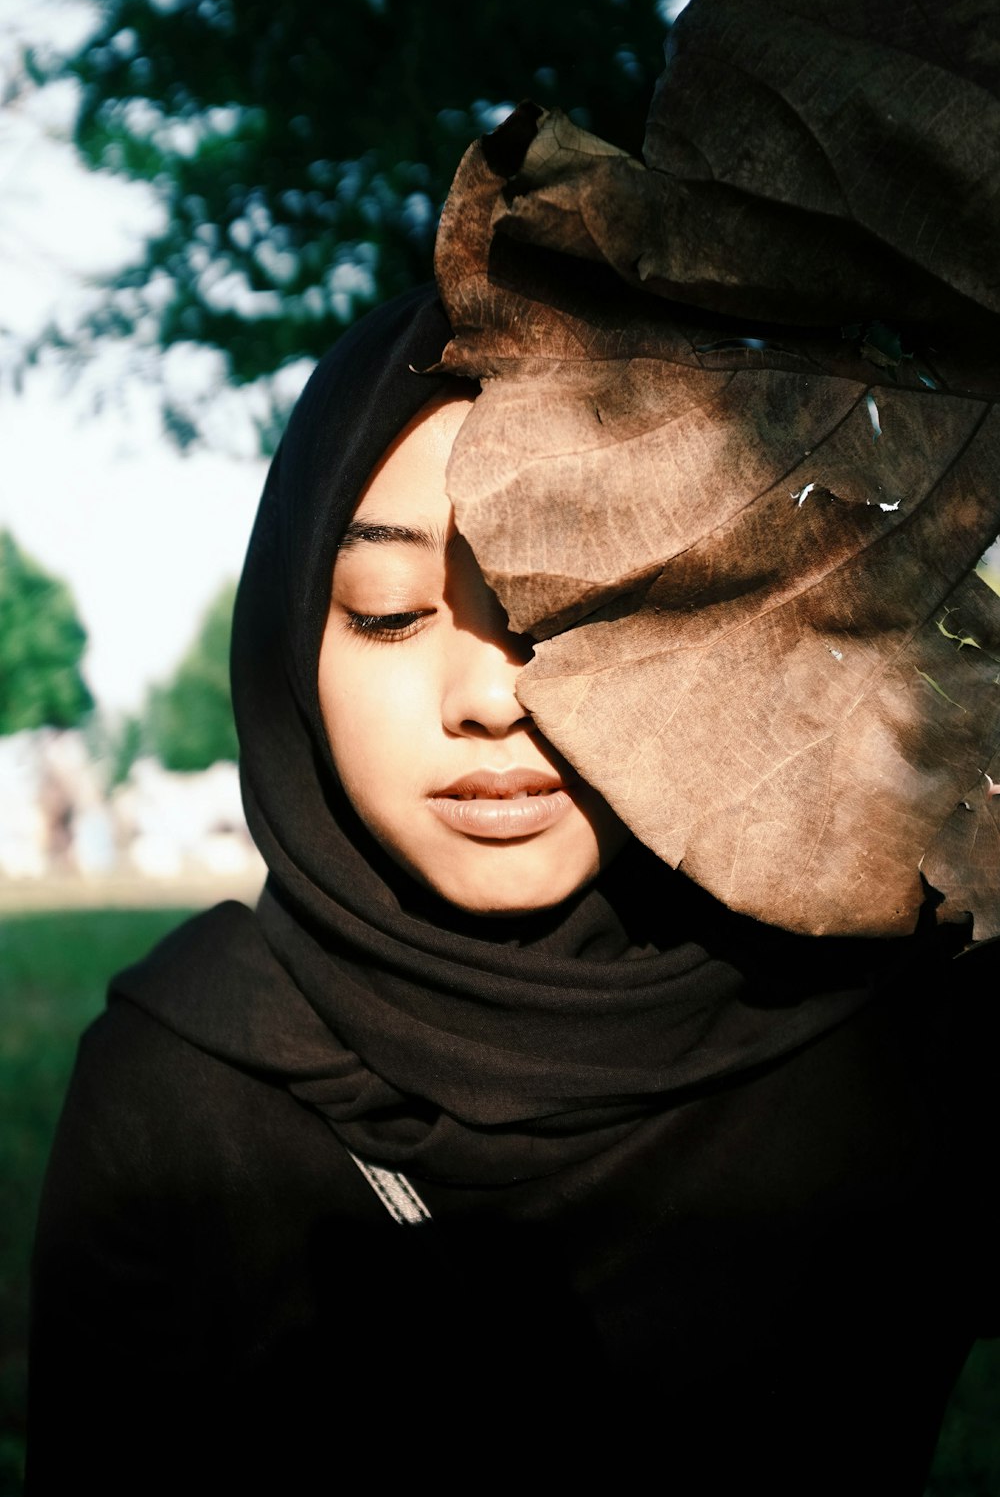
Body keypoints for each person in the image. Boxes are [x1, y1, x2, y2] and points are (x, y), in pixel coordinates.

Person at [28, 286, 997, 1493]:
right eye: (388, 616)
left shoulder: (894, 1022)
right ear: (290, 638)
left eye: (563, 609)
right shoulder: (178, 1081)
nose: (487, 697)